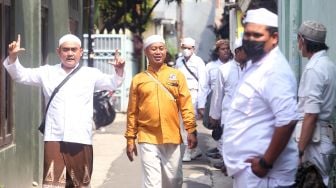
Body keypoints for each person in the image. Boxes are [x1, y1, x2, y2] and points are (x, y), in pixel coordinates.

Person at [3, 34, 125, 187]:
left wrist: (119, 71)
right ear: (59, 52)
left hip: (80, 137)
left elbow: (113, 83)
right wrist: (13, 58)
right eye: (66, 50)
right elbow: (21, 76)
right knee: (52, 184)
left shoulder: (90, 74)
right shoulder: (47, 72)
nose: (70, 53)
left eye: (74, 50)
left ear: (80, 52)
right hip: (55, 137)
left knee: (80, 184)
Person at [222, 8, 298, 187]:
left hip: (264, 175)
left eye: (257, 35)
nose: (250, 40)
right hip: (248, 172)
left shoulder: (275, 71)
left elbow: (288, 120)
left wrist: (265, 163)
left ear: (274, 38)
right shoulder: (256, 64)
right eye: (247, 34)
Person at [125, 35, 197, 188]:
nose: (158, 52)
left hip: (172, 136)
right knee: (152, 183)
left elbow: (186, 105)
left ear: (165, 51)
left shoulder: (177, 75)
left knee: (174, 181)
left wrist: (191, 130)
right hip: (147, 137)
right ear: (146, 52)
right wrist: (130, 138)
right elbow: (132, 112)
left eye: (161, 48)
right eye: (154, 49)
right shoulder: (138, 79)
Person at [296, 20, 336, 186]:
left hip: (315, 143)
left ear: (303, 41)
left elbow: (311, 114)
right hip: (324, 138)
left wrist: (299, 151)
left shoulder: (314, 69)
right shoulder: (329, 65)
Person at [209, 37, 247, 172]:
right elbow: (217, 95)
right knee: (226, 142)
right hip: (228, 114)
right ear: (237, 51)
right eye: (246, 50)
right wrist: (214, 115)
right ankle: (227, 164)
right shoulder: (224, 69)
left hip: (246, 114)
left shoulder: (252, 68)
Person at [175, 37, 205, 162]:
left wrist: (201, 103)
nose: (186, 50)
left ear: (193, 49)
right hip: (180, 95)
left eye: (189, 48)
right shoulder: (179, 61)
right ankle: (195, 149)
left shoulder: (198, 62)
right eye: (184, 48)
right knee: (182, 123)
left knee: (189, 123)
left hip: (194, 96)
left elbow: (203, 83)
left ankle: (188, 150)